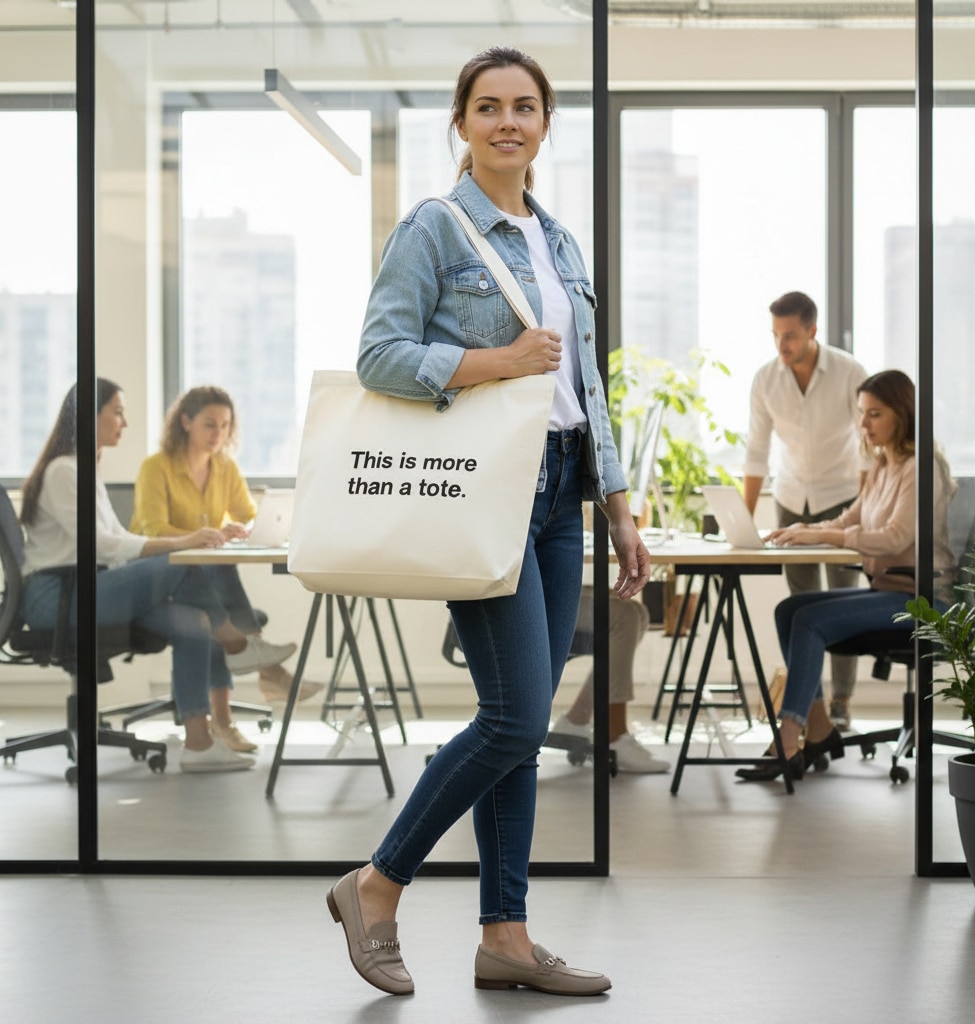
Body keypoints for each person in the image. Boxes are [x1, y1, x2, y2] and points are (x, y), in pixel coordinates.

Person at [327, 46, 649, 998]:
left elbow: (585, 385)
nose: (508, 121)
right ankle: (376, 884)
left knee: (525, 720)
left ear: (546, 123)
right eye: (488, 106)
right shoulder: (435, 227)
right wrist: (495, 362)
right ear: (461, 125)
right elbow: (381, 354)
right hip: (484, 491)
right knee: (512, 716)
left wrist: (619, 505)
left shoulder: (559, 241)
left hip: (561, 494)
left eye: (525, 106)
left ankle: (505, 935)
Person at [19, 378, 296, 773]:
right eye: (117, 412)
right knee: (182, 561)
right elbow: (98, 545)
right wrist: (181, 543)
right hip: (59, 597)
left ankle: (199, 746)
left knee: (195, 621)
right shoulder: (64, 471)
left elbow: (118, 538)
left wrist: (184, 542)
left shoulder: (85, 470)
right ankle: (239, 647)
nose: (125, 423)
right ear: (87, 417)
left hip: (91, 587)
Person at [736, 369, 956, 782]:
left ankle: (788, 741)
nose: (863, 424)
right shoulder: (885, 465)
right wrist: (805, 531)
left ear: (902, 414)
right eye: (861, 414)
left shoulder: (920, 467)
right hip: (889, 591)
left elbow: (894, 538)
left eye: (875, 414)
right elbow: (851, 518)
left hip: (921, 601)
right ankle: (818, 729)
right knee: (789, 610)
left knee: (810, 619)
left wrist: (827, 532)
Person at [131, 385, 322, 750]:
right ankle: (261, 672)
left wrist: (241, 531)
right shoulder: (156, 467)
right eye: (209, 425)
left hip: (199, 580)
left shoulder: (224, 467)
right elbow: (153, 529)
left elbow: (251, 516)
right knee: (212, 572)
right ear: (185, 422)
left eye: (224, 425)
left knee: (214, 579)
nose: (218, 434)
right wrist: (209, 535)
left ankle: (236, 695)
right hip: (156, 574)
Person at [742, 290, 869, 729]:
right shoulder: (766, 379)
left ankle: (843, 700)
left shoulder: (851, 373)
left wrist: (866, 509)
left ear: (812, 331)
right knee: (801, 608)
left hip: (843, 498)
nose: (782, 345)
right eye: (776, 335)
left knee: (845, 603)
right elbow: (756, 452)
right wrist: (744, 520)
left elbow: (870, 448)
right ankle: (810, 703)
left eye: (791, 335)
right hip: (791, 501)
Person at [548, 585, 670, 773]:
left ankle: (575, 721)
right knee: (625, 616)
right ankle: (614, 735)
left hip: (544, 583)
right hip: (527, 595)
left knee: (638, 611)